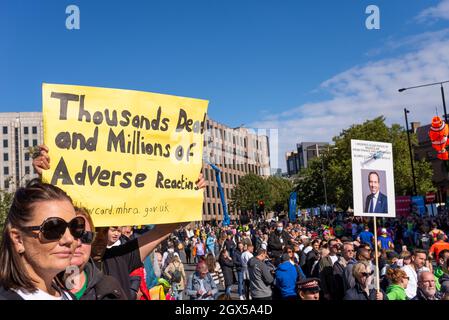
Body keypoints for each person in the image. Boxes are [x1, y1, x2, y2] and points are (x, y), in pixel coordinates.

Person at [0, 180, 86, 300]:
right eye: (53, 228)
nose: (69, 239)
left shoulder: (68, 296)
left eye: (75, 227)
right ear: (18, 239)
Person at [61, 207, 127, 300]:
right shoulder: (40, 289)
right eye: (72, 235)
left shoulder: (110, 288)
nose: (78, 243)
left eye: (86, 236)